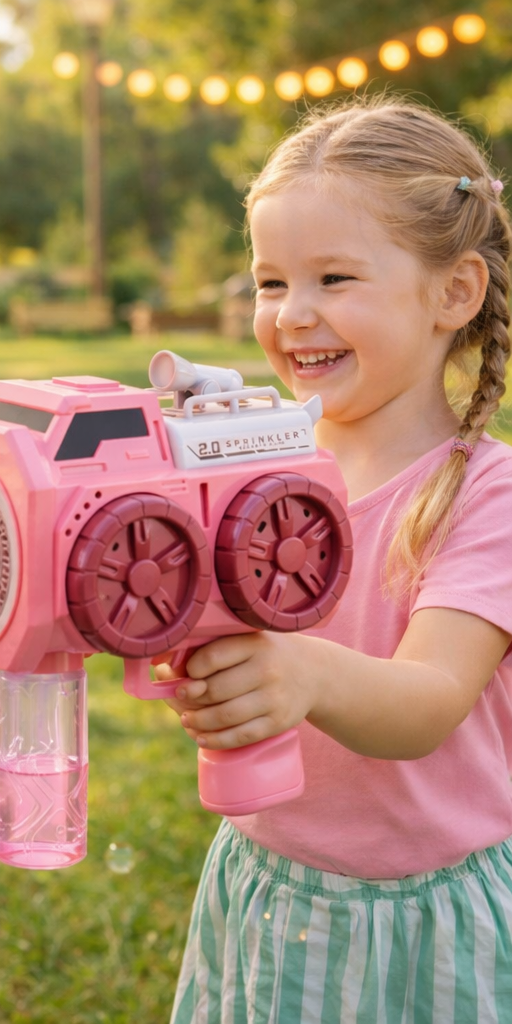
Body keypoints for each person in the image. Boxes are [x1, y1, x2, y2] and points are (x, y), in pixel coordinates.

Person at [163, 97, 512, 1023]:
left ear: (454, 293)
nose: (293, 315)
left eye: (335, 278)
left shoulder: (488, 495)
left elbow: (429, 702)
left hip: (421, 921)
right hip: (265, 885)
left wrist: (300, 672)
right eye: (271, 283)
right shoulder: (256, 462)